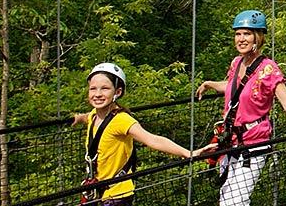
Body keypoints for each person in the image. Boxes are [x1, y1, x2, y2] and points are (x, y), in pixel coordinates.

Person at [196, 10, 286, 206]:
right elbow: (234, 87)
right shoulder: (236, 63)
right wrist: (210, 84)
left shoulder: (269, 69)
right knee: (226, 199)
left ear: (258, 37)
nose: (241, 39)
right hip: (229, 141)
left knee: (236, 202)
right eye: (238, 34)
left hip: (254, 143)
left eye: (247, 34)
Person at [73, 63, 211, 205]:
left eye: (105, 88)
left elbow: (152, 139)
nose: (97, 94)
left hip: (116, 193)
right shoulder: (94, 115)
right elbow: (87, 117)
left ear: (117, 92)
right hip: (97, 192)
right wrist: (77, 118)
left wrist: (188, 153)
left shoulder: (121, 120)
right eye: (93, 89)